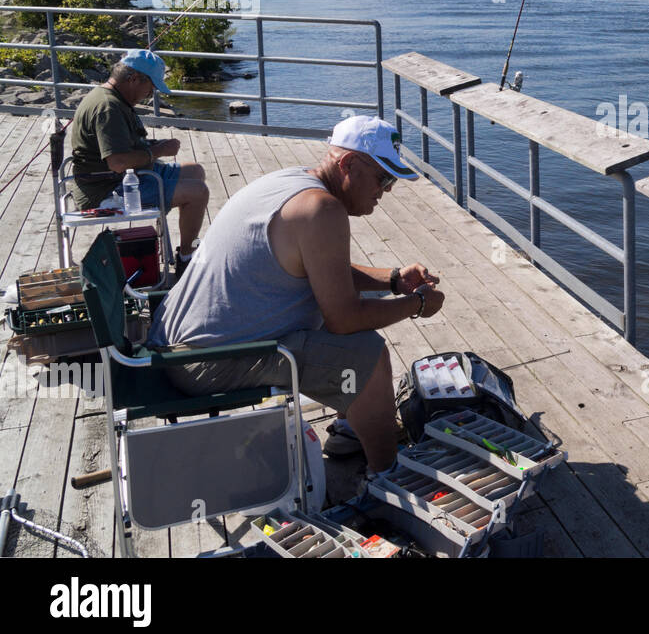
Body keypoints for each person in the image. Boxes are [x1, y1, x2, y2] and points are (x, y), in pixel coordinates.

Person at [148, 114, 445, 476]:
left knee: (348, 338)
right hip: (204, 362)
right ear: (348, 163)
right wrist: (416, 304)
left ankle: (351, 434)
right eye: (383, 177)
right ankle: (389, 475)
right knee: (367, 357)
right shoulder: (323, 209)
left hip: (173, 342)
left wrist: (394, 280)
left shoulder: (291, 181)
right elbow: (345, 319)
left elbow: (321, 269)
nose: (386, 190)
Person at [66, 48, 209, 269]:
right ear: (134, 79)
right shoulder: (108, 107)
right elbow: (117, 163)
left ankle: (185, 250)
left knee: (195, 171)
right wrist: (158, 151)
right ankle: (187, 259)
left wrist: (154, 145)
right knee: (198, 192)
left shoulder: (113, 98)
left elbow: (122, 146)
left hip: (125, 176)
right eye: (150, 87)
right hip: (108, 190)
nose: (151, 93)